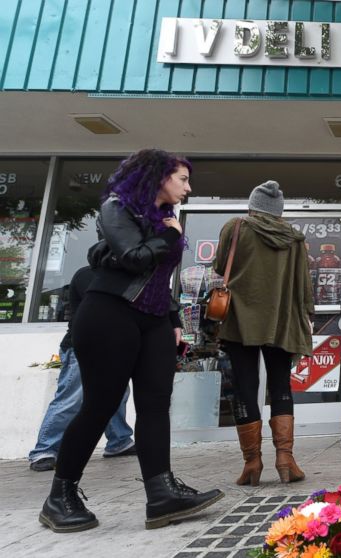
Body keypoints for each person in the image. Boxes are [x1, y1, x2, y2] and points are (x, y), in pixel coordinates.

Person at [39, 149, 223, 533]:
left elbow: (158, 278)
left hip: (153, 318)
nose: (188, 187)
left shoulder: (164, 218)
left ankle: (161, 494)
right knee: (100, 406)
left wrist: (173, 318)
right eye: (182, 179)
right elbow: (134, 258)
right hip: (110, 313)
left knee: (156, 403)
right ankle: (60, 496)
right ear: (158, 177)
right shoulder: (117, 207)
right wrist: (168, 234)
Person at [214, 180, 313, 486]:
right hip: (281, 319)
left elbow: (220, 267)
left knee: (245, 387)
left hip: (240, 318)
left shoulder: (235, 227)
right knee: (281, 385)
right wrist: (305, 313)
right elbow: (303, 283)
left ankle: (251, 463)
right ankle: (286, 459)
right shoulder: (294, 238)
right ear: (278, 211)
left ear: (253, 206)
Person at [28, 266, 136, 472]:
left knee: (117, 394)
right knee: (71, 398)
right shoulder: (88, 275)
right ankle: (44, 449)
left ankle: (119, 441)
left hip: (113, 346)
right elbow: (103, 310)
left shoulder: (124, 275)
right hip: (83, 345)